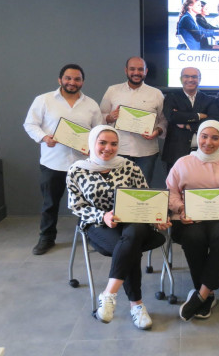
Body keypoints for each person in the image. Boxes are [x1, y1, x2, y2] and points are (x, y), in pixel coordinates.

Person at [67, 125, 171, 329]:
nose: (108, 148)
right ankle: (137, 305)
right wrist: (101, 215)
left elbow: (144, 198)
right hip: (98, 224)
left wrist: (157, 217)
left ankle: (109, 294)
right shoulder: (77, 170)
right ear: (92, 144)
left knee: (134, 234)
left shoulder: (130, 166)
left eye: (114, 144)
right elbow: (76, 206)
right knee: (130, 245)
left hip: (132, 221)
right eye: (102, 143)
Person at [166, 120, 219, 321]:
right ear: (198, 137)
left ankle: (201, 294)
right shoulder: (183, 162)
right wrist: (180, 208)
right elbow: (170, 194)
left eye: (215, 137)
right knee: (194, 237)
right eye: (204, 136)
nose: (208, 142)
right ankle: (207, 293)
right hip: (188, 219)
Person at [23, 63, 102, 255]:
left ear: (82, 81)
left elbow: (98, 131)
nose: (72, 82)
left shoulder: (91, 104)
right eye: (68, 78)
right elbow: (30, 124)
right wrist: (44, 137)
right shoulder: (44, 100)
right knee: (50, 203)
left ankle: (91, 237)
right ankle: (46, 238)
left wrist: (93, 148)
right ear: (60, 80)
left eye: (77, 79)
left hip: (83, 164)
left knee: (88, 202)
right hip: (53, 162)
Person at [100, 57, 167, 185]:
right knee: (116, 190)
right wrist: (110, 117)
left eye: (140, 69)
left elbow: (163, 121)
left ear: (146, 71)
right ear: (126, 70)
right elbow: (101, 116)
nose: (136, 72)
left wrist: (157, 132)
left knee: (141, 190)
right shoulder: (112, 91)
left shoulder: (156, 94)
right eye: (132, 69)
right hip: (118, 150)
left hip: (146, 152)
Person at [161, 67, 219, 173]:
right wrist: (198, 116)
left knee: (201, 187)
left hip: (203, 152)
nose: (190, 79)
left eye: (194, 77)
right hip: (176, 152)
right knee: (176, 187)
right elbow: (171, 116)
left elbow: (213, 121)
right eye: (186, 76)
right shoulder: (171, 97)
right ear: (181, 79)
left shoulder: (210, 100)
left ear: (199, 79)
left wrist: (187, 125)